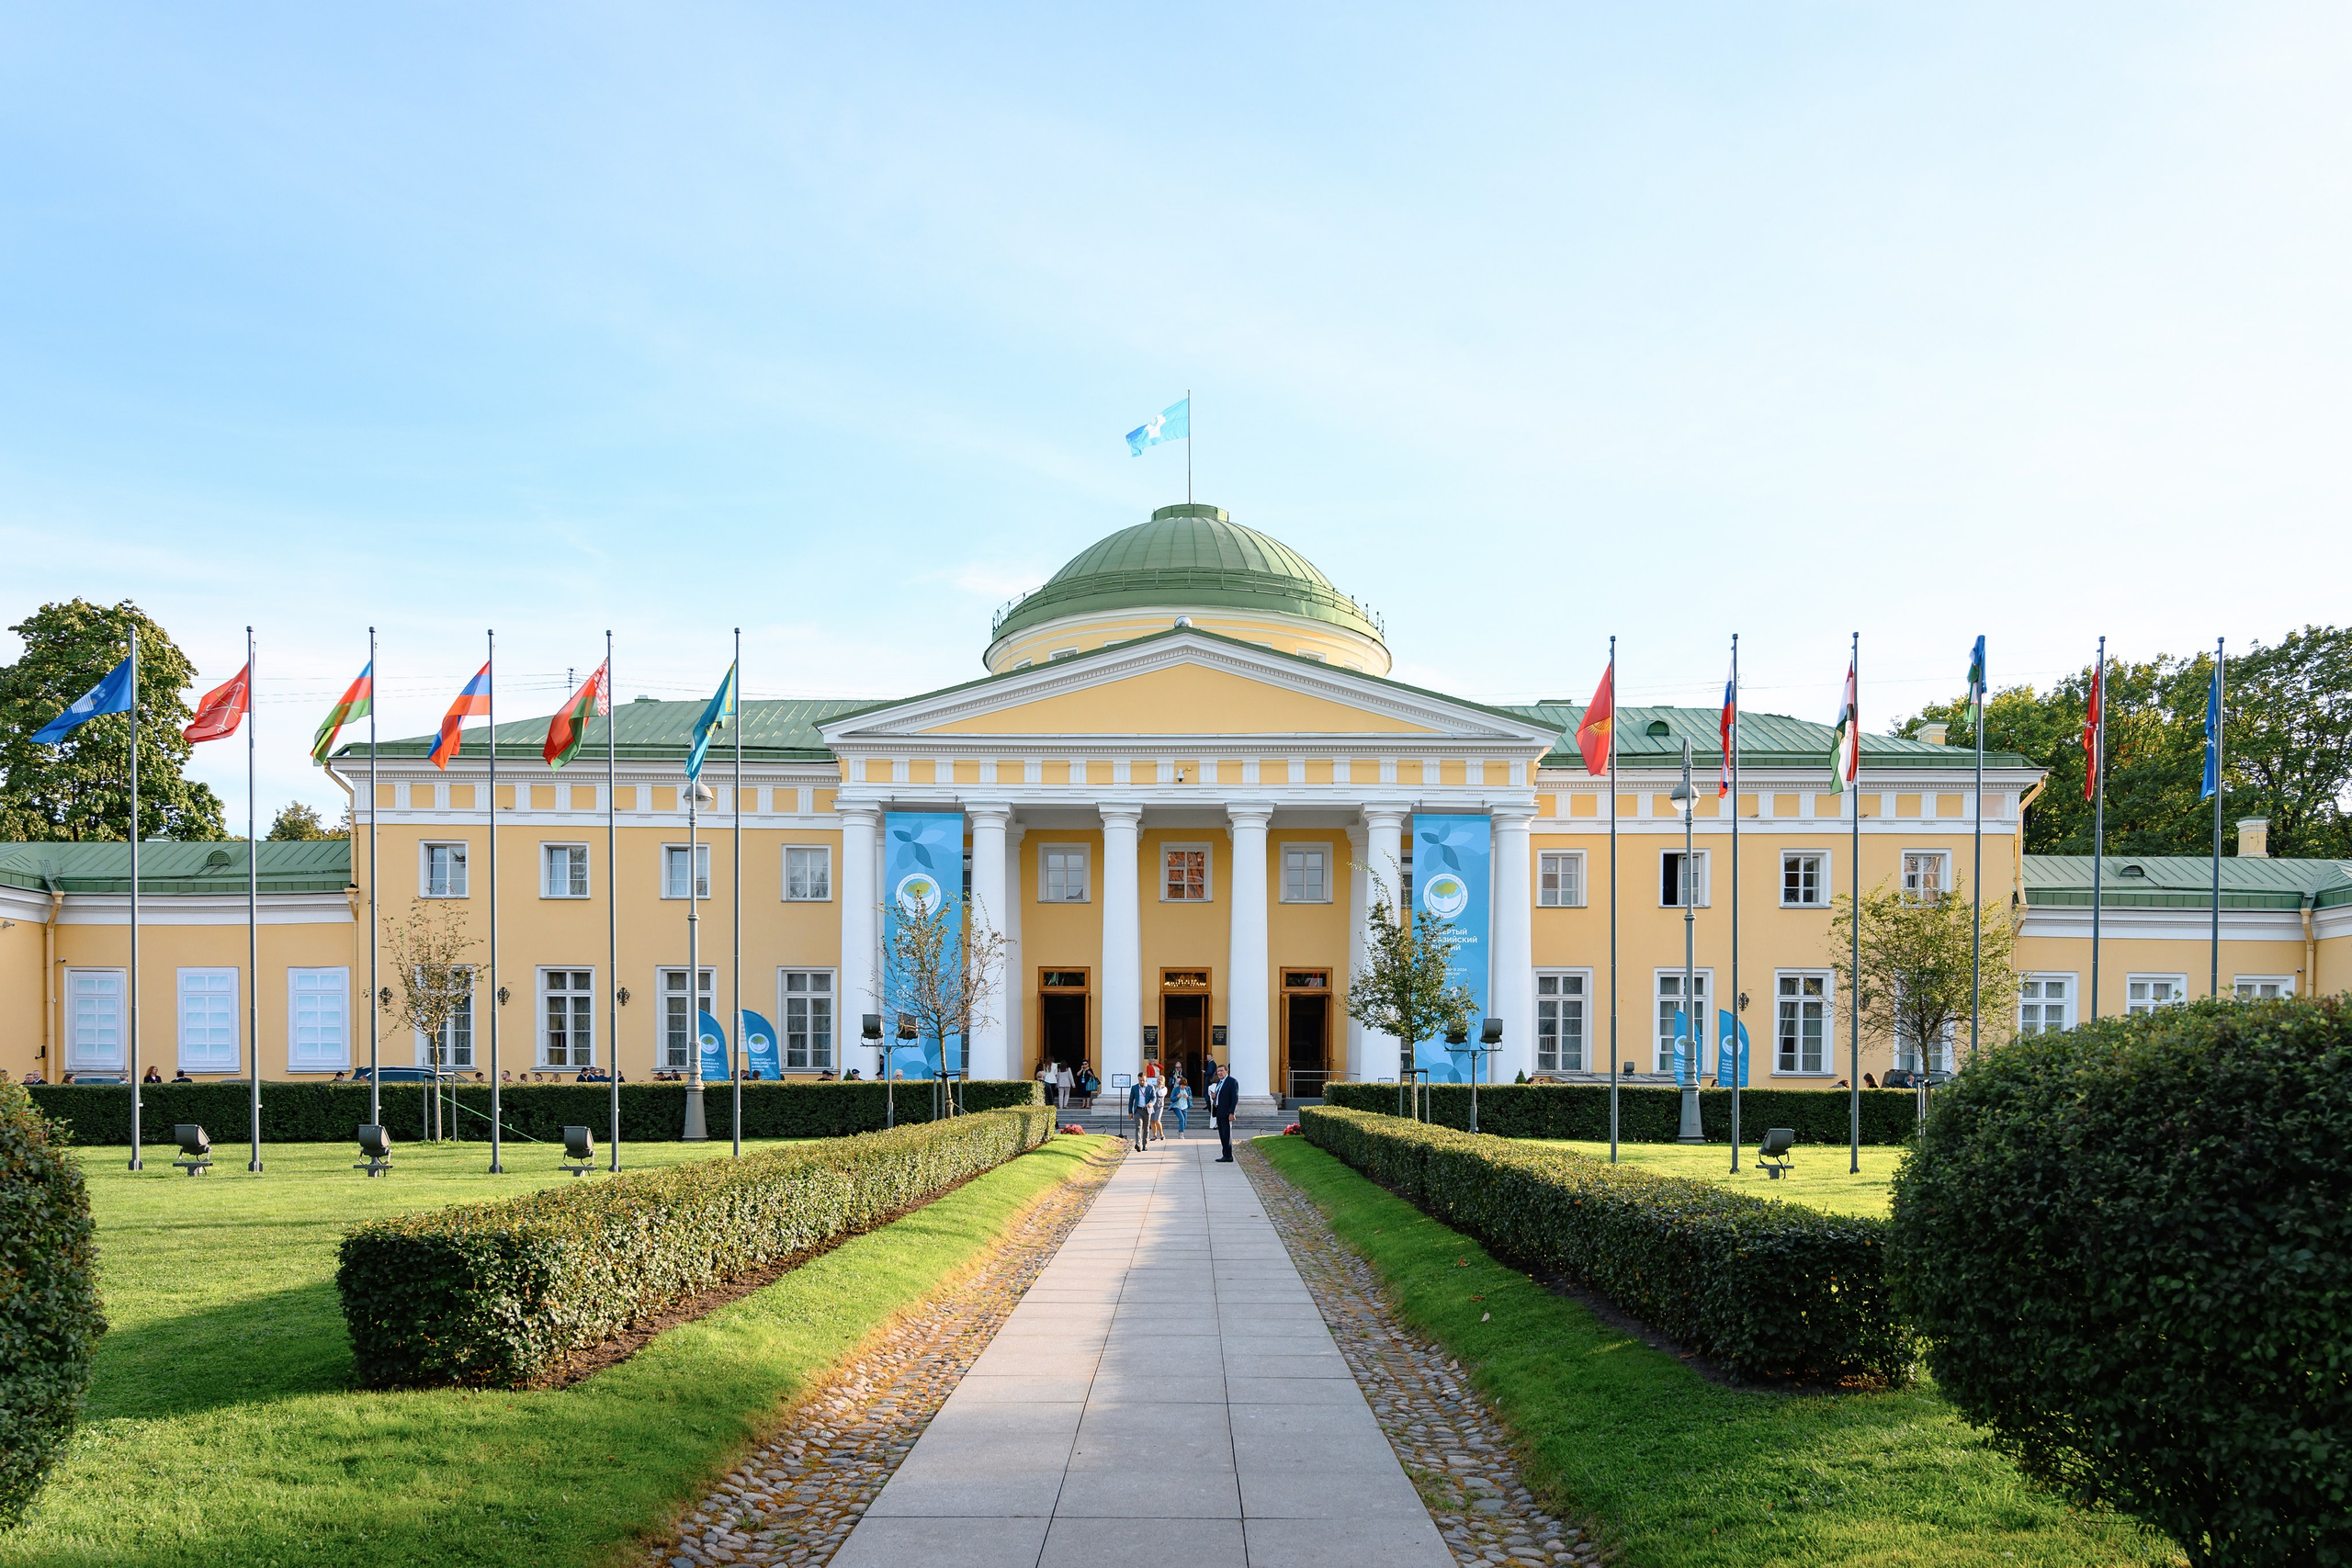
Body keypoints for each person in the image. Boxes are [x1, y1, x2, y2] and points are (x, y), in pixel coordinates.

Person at [1210, 1064, 1240, 1162]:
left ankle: (1228, 1156)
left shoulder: (1232, 1081)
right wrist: (1214, 1097)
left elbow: (1234, 1098)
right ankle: (1225, 1154)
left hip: (1227, 1112)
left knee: (1226, 1134)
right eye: (1218, 1071)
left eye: (1222, 1071)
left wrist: (1232, 1112)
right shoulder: (1219, 1082)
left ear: (1226, 1071)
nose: (1219, 1073)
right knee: (1222, 1134)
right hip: (1219, 1110)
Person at [1170, 1073, 1192, 1139]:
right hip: (1177, 1106)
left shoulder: (1188, 1089)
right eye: (1181, 1085)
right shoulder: (1176, 1089)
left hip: (1184, 1106)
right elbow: (1171, 1098)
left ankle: (1180, 1130)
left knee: (1184, 1122)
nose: (1183, 1087)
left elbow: (1191, 1097)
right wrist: (1177, 1096)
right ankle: (1181, 1133)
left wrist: (1188, 1097)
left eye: (1184, 1085)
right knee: (1181, 1119)